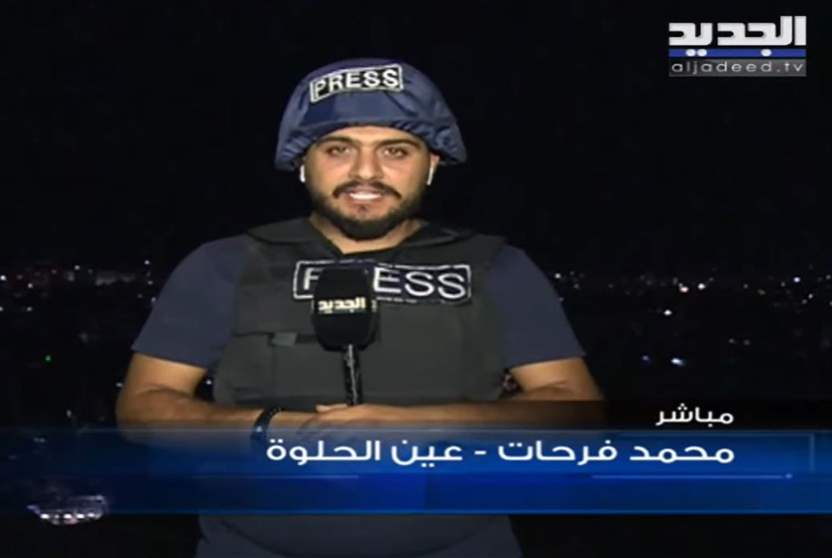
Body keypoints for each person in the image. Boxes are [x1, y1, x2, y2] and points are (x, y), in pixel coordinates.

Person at [116, 58, 603, 558]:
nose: (365, 172)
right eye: (338, 149)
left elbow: (577, 408)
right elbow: (142, 407)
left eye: (395, 150)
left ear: (431, 164)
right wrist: (276, 430)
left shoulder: (499, 267)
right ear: (302, 162)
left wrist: (421, 427)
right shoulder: (224, 264)